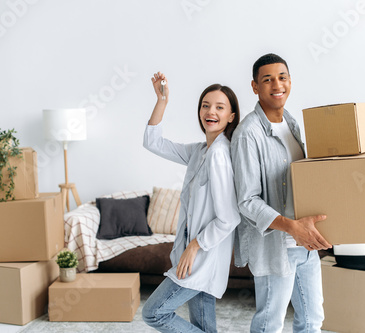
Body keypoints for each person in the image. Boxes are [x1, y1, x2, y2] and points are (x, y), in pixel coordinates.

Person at [230, 54, 332, 333]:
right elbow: (247, 201)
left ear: (290, 81)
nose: (277, 84)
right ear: (255, 87)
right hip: (275, 246)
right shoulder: (248, 134)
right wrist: (292, 228)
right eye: (267, 79)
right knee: (269, 325)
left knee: (312, 321)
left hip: (305, 243)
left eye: (282, 77)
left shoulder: (292, 123)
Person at [142, 72, 241, 333]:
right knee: (203, 326)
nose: (211, 111)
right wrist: (161, 101)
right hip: (193, 256)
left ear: (231, 116)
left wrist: (195, 246)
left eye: (220, 107)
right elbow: (153, 142)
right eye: (206, 105)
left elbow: (229, 217)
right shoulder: (200, 151)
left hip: (201, 257)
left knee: (154, 313)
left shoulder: (219, 154)